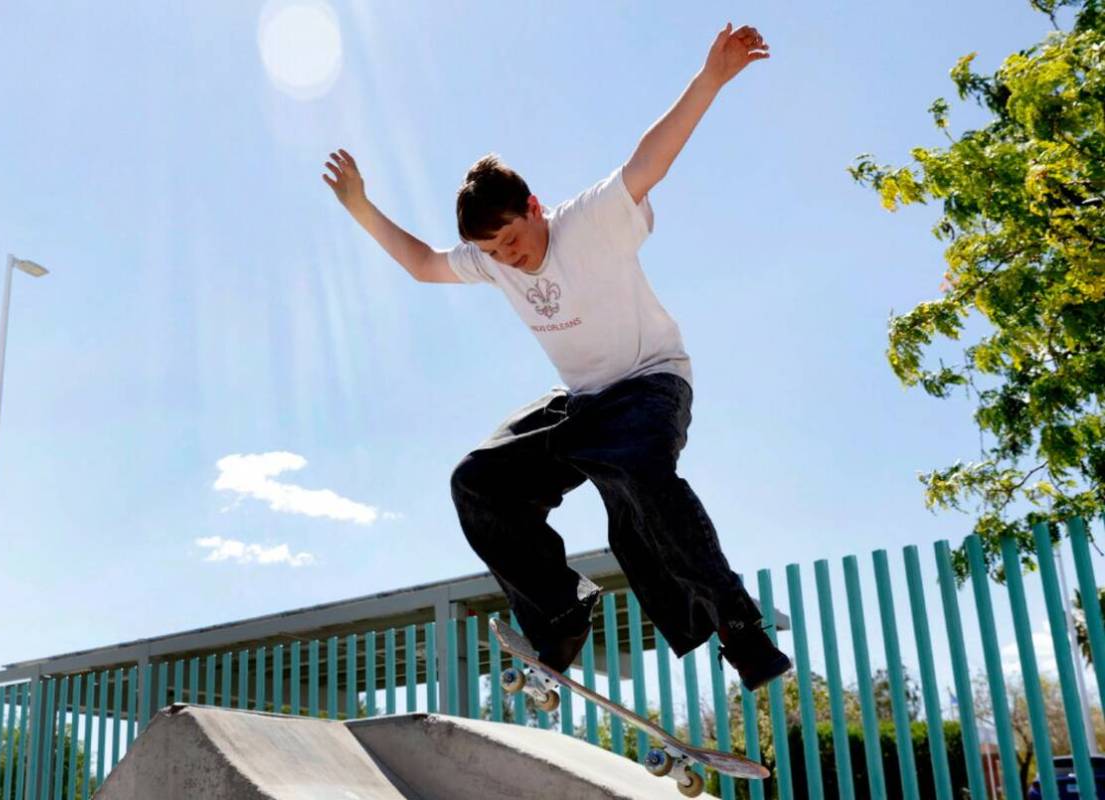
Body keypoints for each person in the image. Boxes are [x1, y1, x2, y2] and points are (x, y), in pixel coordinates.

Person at [323, 22, 791, 691]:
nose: (510, 259)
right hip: (582, 403)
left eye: (513, 240)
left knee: (644, 489)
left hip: (648, 387)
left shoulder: (589, 220)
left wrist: (710, 78)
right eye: (494, 254)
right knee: (477, 482)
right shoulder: (492, 265)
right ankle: (559, 610)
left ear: (535, 208)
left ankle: (739, 630)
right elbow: (424, 263)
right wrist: (360, 208)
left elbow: (649, 161)